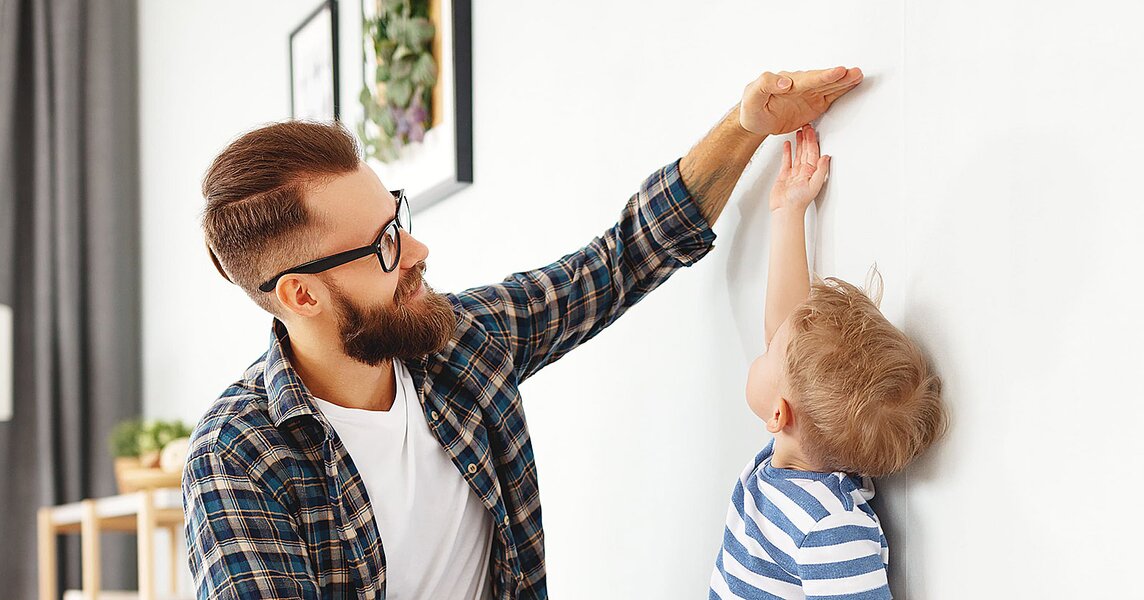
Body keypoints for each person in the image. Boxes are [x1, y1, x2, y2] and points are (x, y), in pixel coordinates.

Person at [183, 67, 865, 600]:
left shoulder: (458, 342)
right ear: (301, 295)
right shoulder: (237, 458)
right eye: (383, 246)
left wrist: (747, 126)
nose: (417, 251)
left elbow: (622, 258)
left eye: (398, 216)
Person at [708, 124, 946, 599]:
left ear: (780, 414)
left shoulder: (831, 530)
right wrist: (788, 213)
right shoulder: (808, 449)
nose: (767, 340)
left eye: (768, 352)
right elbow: (789, 332)